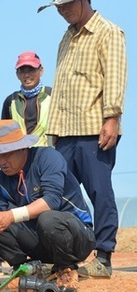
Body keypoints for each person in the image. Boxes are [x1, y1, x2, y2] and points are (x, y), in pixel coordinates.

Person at [0, 120, 95, 290]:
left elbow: (51, 201)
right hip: (43, 243)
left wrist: (11, 215)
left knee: (47, 218)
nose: (1, 161)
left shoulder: (48, 158)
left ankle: (66, 268)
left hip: (76, 239)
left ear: (23, 148)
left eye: (6, 154)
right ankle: (27, 270)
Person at [39, 0, 127, 278]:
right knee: (59, 195)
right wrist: (54, 132)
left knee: (99, 192)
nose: (62, 11)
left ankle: (103, 256)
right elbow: (63, 87)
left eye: (67, 5)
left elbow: (114, 78)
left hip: (93, 129)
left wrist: (111, 118)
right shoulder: (66, 37)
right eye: (58, 7)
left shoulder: (108, 32)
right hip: (64, 132)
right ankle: (65, 257)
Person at [0, 51, 53, 279]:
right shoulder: (11, 101)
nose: (27, 74)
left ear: (41, 70)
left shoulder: (53, 96)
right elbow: (3, 133)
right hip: (19, 162)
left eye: (31, 69)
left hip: (44, 159)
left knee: (49, 208)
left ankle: (61, 259)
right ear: (17, 73)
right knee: (5, 209)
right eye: (22, 70)